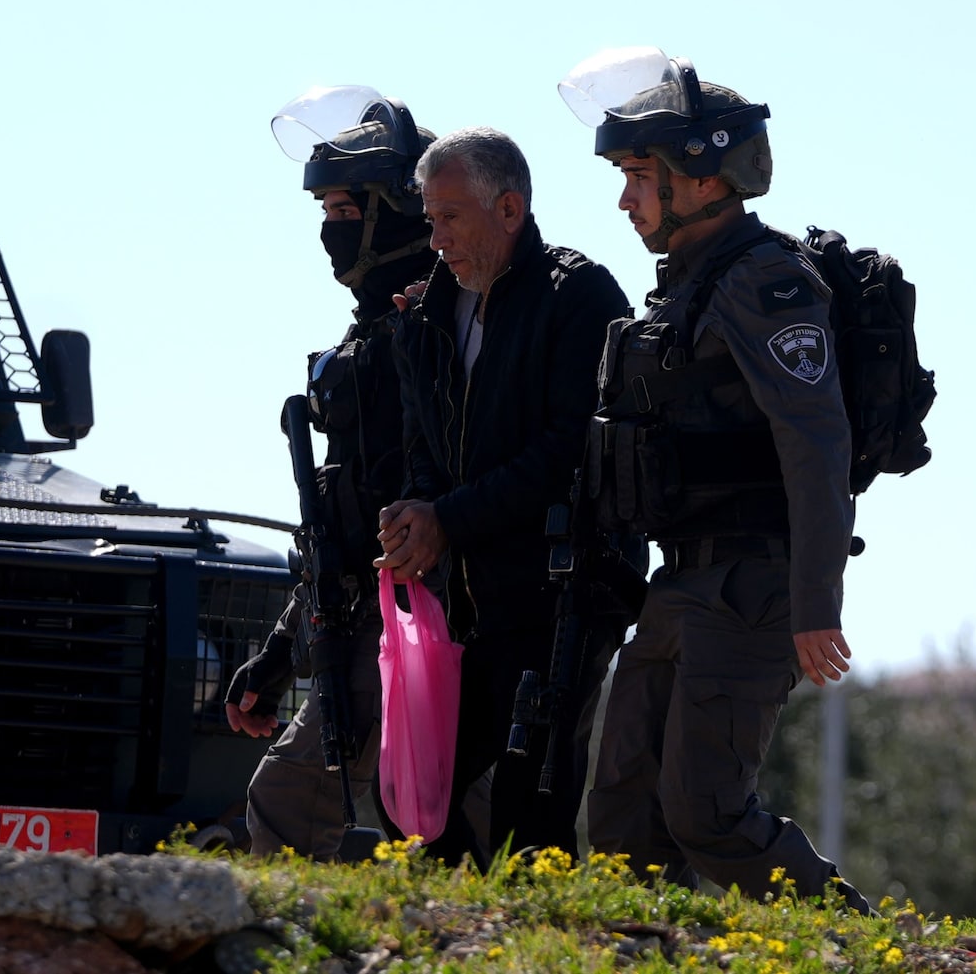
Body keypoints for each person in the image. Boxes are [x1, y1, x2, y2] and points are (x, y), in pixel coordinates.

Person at [559, 47, 873, 909]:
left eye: (639, 176)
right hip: (684, 580)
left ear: (702, 180)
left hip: (752, 587)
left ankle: (866, 949)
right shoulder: (688, 286)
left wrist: (816, 603)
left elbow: (817, 442)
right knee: (622, 812)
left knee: (707, 812)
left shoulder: (765, 281)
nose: (625, 198)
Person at [376, 127, 631, 861]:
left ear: (510, 208)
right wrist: (413, 520)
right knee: (408, 796)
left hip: (560, 599)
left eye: (450, 216)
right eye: (430, 217)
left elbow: (562, 451)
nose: (436, 236)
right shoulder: (426, 312)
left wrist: (446, 520)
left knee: (533, 821)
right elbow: (423, 448)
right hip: (470, 611)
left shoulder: (579, 295)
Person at [227, 88, 438, 857]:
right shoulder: (372, 337)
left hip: (422, 633)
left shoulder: (439, 335)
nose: (329, 232)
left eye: (346, 212)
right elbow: (338, 522)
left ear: (398, 211)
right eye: (325, 212)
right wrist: (283, 651)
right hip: (356, 631)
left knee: (303, 811)